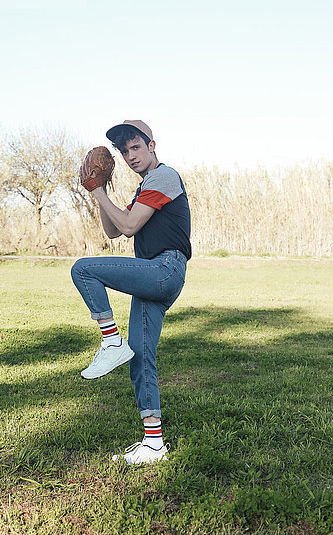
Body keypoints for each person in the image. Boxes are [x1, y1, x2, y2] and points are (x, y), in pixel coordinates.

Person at [71, 119, 191, 464]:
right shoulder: (143, 189)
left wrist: (95, 191)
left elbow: (128, 225)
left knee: (84, 269)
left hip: (164, 269)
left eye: (135, 147)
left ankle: (110, 341)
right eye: (124, 151)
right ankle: (154, 444)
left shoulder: (164, 176)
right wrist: (102, 191)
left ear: (152, 145)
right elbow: (113, 230)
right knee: (139, 355)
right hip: (153, 276)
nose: (129, 155)